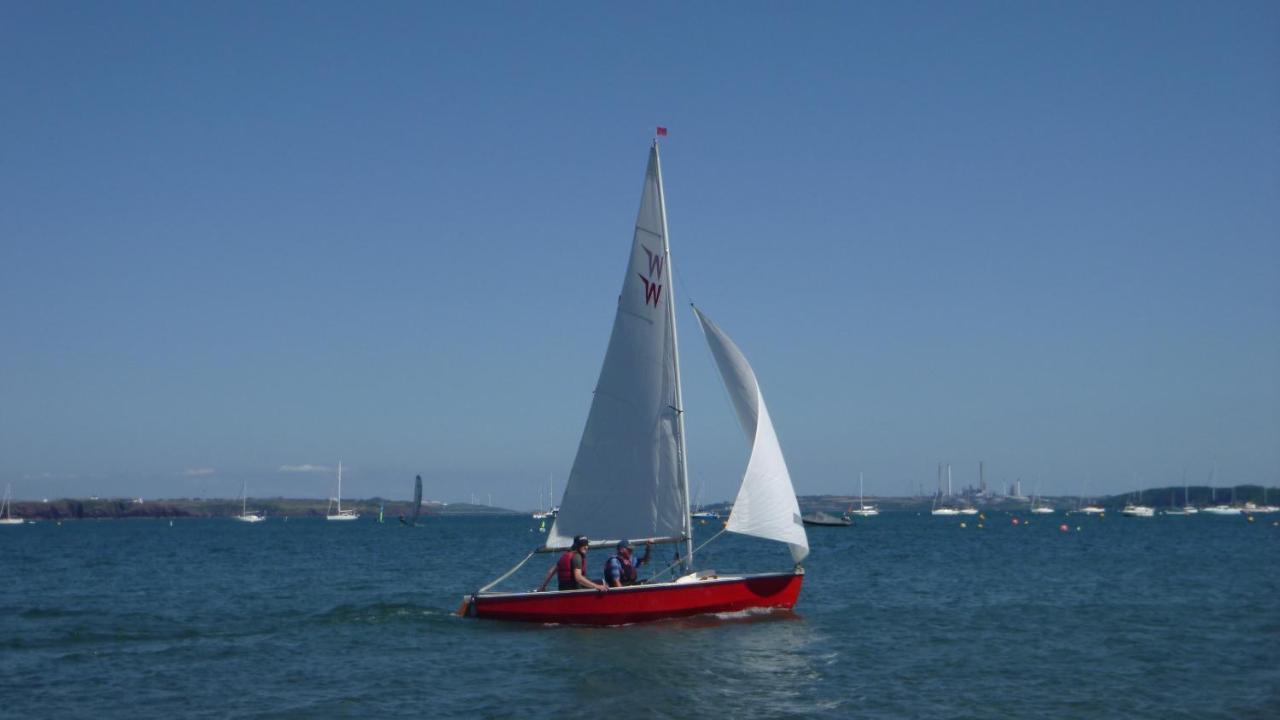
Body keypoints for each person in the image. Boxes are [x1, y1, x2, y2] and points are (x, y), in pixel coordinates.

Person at [537, 535, 608, 592]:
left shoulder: (565, 555)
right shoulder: (577, 557)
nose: (586, 547)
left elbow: (551, 571)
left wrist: (542, 587)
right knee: (602, 582)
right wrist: (597, 586)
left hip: (562, 588)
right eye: (583, 545)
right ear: (577, 545)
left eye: (587, 544)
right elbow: (578, 578)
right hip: (574, 588)